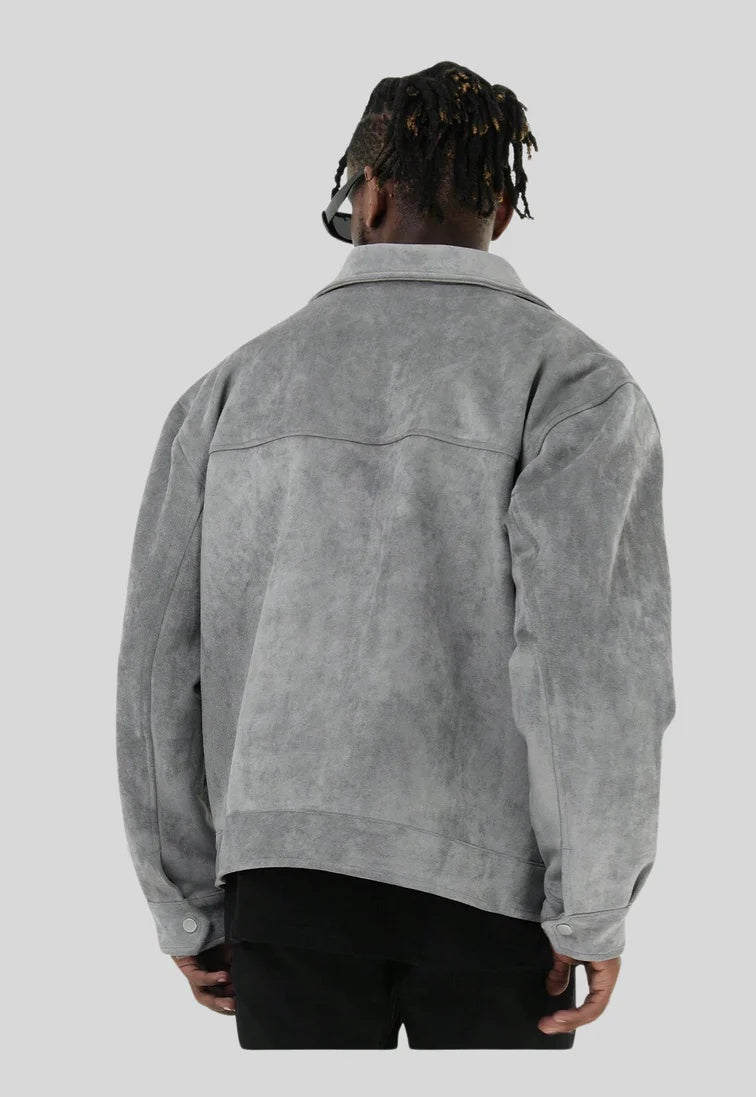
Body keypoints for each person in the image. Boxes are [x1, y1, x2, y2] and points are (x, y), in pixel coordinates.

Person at [116, 60, 676, 1051]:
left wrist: (186, 901)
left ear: (365, 195)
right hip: (493, 896)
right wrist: (589, 904)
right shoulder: (574, 385)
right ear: (500, 208)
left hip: (282, 885)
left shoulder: (227, 392)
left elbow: (159, 667)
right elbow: (588, 668)